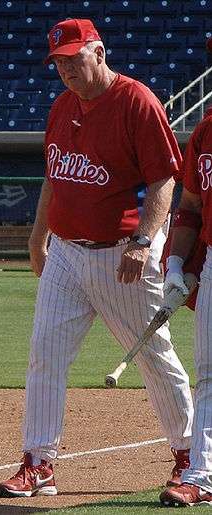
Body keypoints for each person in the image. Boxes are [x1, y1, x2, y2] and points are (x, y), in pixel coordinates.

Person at [0, 18, 194, 499]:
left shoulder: (135, 101)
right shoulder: (63, 105)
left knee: (152, 355)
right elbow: (54, 175)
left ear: (99, 53)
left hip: (119, 256)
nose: (66, 69)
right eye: (58, 62)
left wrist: (144, 241)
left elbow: (165, 179)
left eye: (73, 58)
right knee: (45, 355)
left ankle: (191, 455)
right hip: (65, 251)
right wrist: (37, 236)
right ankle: (39, 462)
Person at [160, 107, 212, 507]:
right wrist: (177, 263)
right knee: (209, 372)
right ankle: (202, 475)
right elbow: (191, 205)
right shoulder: (206, 129)